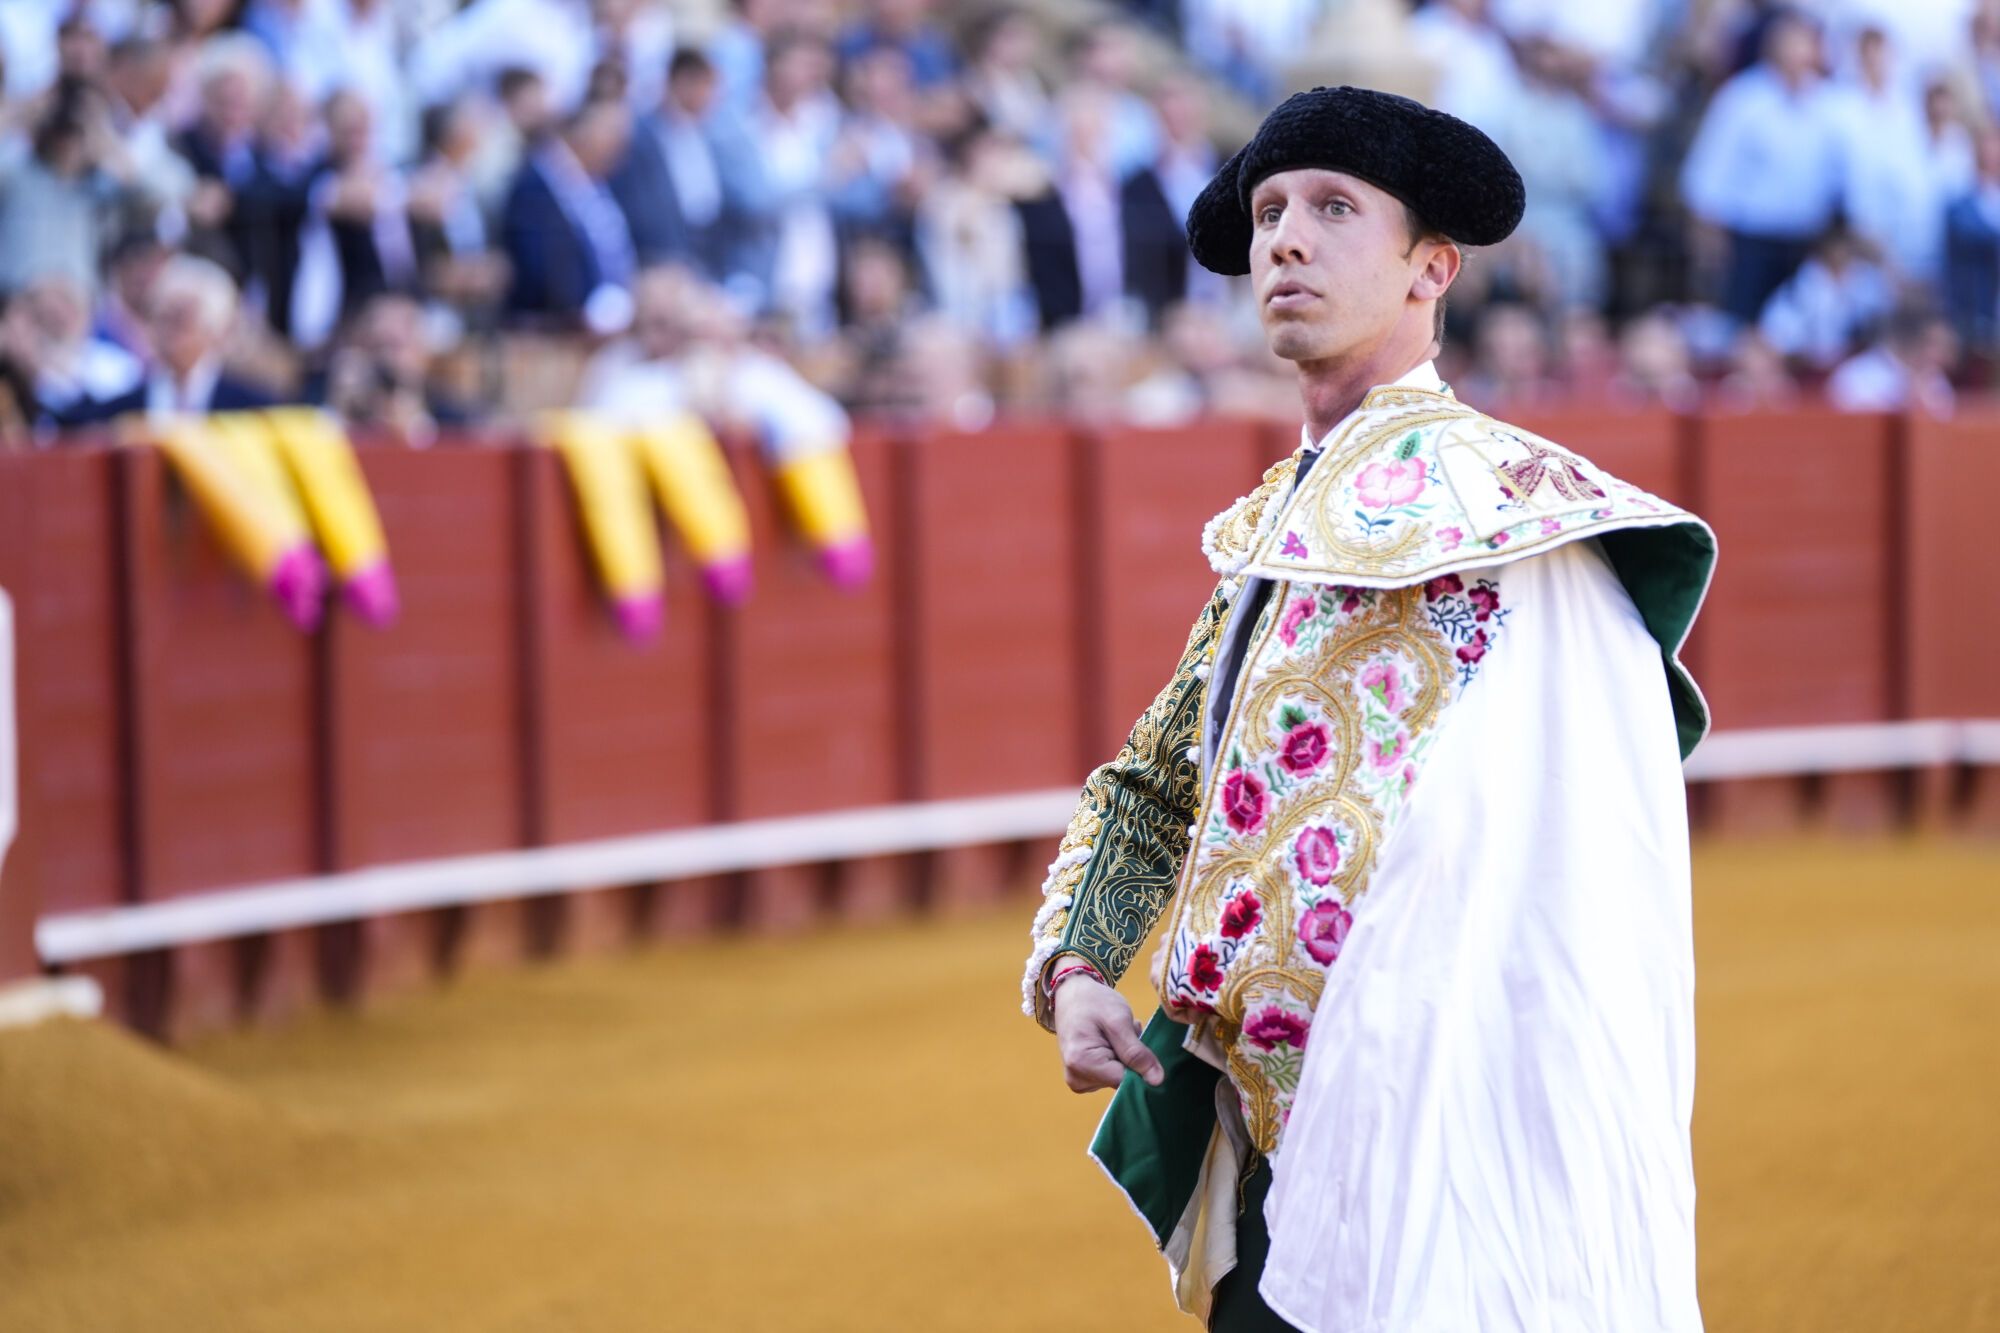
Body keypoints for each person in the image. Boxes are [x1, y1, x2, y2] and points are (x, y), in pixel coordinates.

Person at [1020, 86, 1716, 1332]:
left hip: (1454, 1135)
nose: (1282, 238)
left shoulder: (1515, 524)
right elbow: (1155, 777)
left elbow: (1566, 852)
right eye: (1269, 211)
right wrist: (1077, 965)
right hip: (1273, 1152)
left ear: (1428, 270)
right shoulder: (1277, 531)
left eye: (1334, 209)